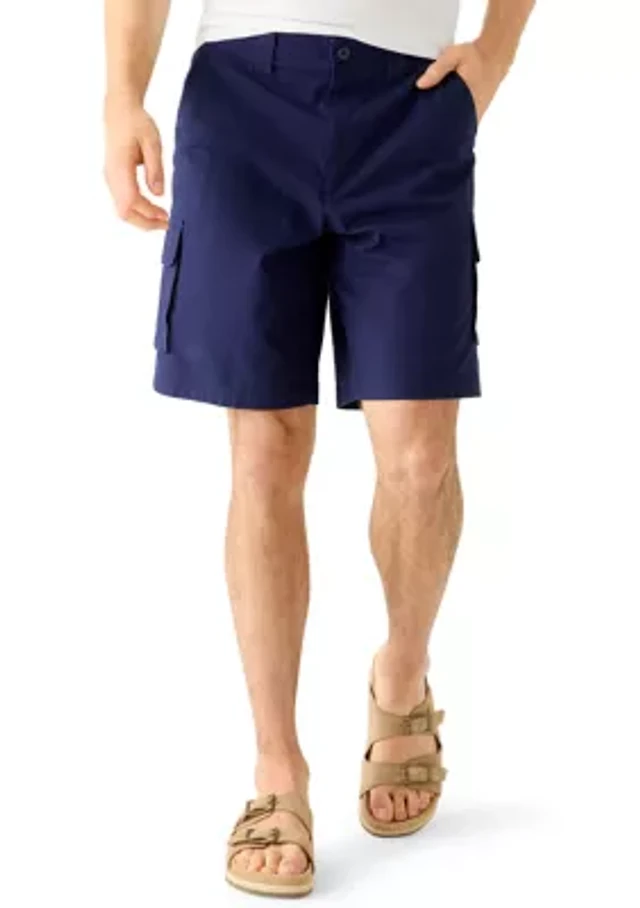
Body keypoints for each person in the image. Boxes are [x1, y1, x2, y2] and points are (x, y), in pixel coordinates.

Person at [104, 0, 534, 897]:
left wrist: (494, 52)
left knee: (418, 457)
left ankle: (402, 677)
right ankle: (277, 769)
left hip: (411, 104)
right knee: (264, 446)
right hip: (243, 102)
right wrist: (121, 94)